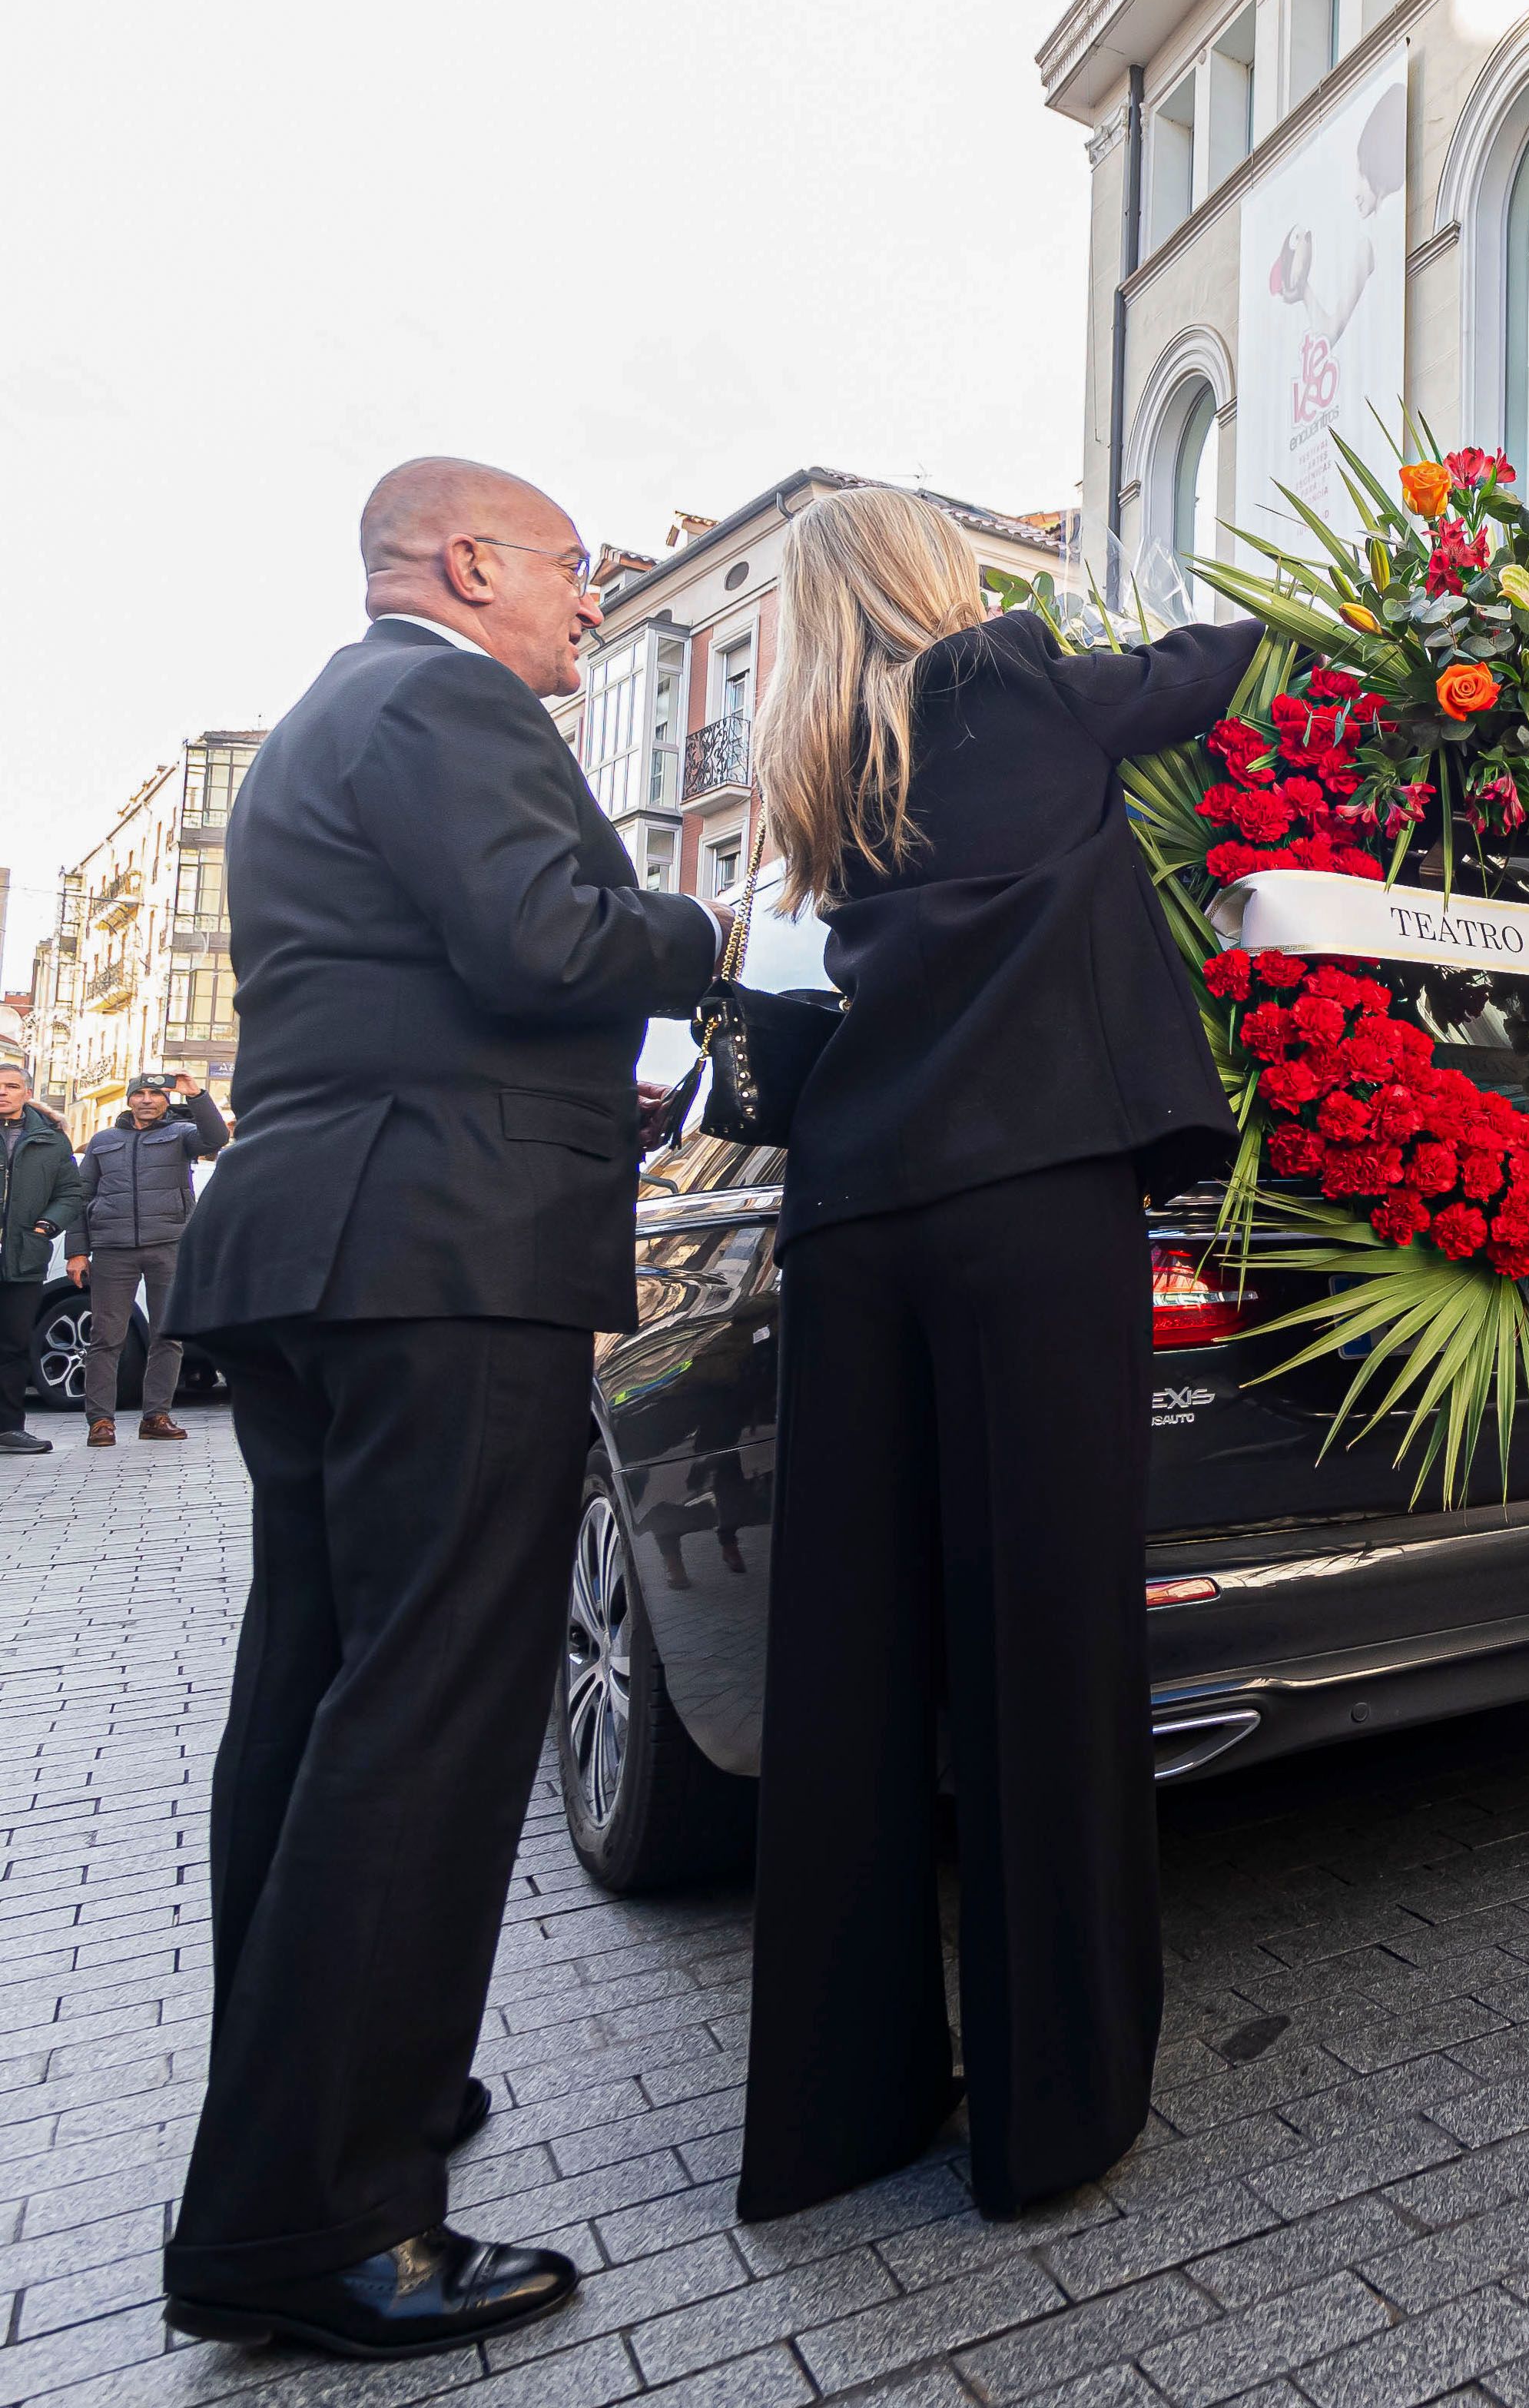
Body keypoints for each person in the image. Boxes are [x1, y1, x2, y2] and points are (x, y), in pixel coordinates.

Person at [161, 459, 724, 2357]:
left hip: (324, 1239)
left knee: (321, 1689)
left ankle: (307, 2095)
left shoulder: (332, 717)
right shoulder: (447, 697)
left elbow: (430, 978)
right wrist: (712, 939)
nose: (592, 600)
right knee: (431, 1713)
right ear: (472, 564)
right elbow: (544, 939)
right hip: (444, 1249)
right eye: (571, 568)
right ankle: (324, 2217)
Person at [741, 486, 1259, 2220]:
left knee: (853, 1661)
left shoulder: (818, 761)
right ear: (933, 579)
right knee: (1045, 1642)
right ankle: (1049, 2113)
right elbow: (1217, 663)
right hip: (1026, 1196)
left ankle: (840, 2112)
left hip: (850, 1212)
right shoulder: (1011, 679)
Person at [68, 1068, 227, 1444]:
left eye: (156, 1095)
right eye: (140, 1094)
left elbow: (217, 1137)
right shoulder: (103, 1141)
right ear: (129, 1100)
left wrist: (196, 1094)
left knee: (167, 1335)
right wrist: (77, 1251)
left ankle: (156, 1416)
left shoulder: (181, 1134)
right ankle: (100, 1422)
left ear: (166, 1101)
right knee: (106, 1338)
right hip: (112, 1249)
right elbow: (81, 1196)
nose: (147, 1100)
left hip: (168, 1245)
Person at [0, 1064, 85, 1457]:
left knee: (14, 1346)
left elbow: (71, 1193)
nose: (3, 1092)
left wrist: (46, 1227)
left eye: (12, 1086)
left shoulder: (52, 1140)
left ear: (27, 1093)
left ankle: (8, 1429)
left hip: (24, 1258)